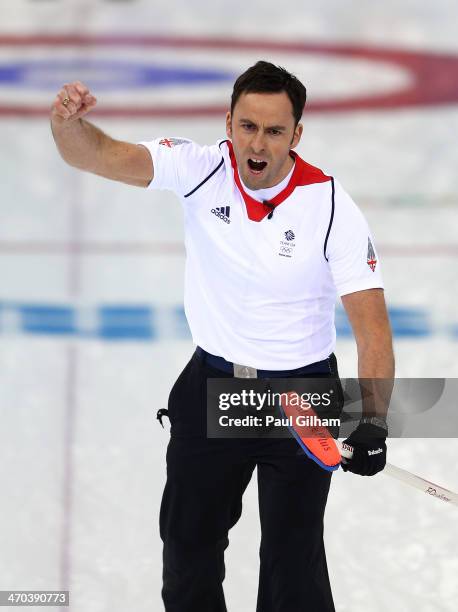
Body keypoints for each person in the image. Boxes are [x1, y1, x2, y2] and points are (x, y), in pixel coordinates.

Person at [51, 61, 394, 612]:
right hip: (215, 387)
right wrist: (68, 125)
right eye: (247, 126)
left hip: (300, 397)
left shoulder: (331, 207)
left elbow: (372, 329)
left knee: (294, 571)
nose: (257, 143)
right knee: (187, 549)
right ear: (228, 122)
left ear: (296, 135)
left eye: (275, 130)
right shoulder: (198, 167)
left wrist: (374, 420)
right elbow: (96, 154)